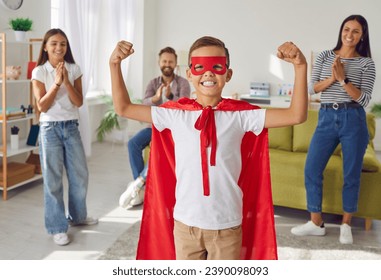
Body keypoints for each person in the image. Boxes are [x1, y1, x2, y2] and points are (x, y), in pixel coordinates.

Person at [110, 36, 308, 260]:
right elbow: (124, 107)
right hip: (185, 225)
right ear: (189, 74)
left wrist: (300, 68)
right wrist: (114, 65)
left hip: (227, 226)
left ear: (228, 74)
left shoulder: (241, 117)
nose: (208, 73)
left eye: (216, 66)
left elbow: (296, 115)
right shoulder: (175, 115)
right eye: (200, 66)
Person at [291, 15, 376, 245]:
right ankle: (316, 222)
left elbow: (365, 99)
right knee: (312, 168)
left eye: (356, 31)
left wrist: (343, 79)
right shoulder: (325, 56)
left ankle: (346, 224)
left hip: (353, 118)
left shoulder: (367, 63)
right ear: (341, 30)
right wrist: (332, 78)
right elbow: (312, 88)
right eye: (346, 29)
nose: (349, 34)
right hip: (327, 116)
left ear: (362, 35)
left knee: (351, 174)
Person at [32, 29, 98, 246]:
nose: (59, 48)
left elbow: (78, 102)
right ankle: (57, 227)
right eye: (54, 44)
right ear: (45, 47)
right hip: (49, 129)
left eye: (63, 44)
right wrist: (57, 83)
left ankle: (77, 217)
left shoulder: (74, 69)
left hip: (71, 127)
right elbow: (42, 106)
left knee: (80, 175)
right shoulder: (39, 71)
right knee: (53, 181)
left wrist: (67, 81)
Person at [119, 47, 191, 208]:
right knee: (133, 144)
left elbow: (186, 104)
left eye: (170, 61)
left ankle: (139, 183)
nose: (167, 64)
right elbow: (145, 103)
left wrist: (171, 96)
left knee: (157, 148)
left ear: (175, 63)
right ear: (159, 63)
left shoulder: (183, 83)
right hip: (154, 127)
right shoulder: (153, 83)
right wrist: (156, 98)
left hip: (173, 131)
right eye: (164, 61)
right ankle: (142, 187)